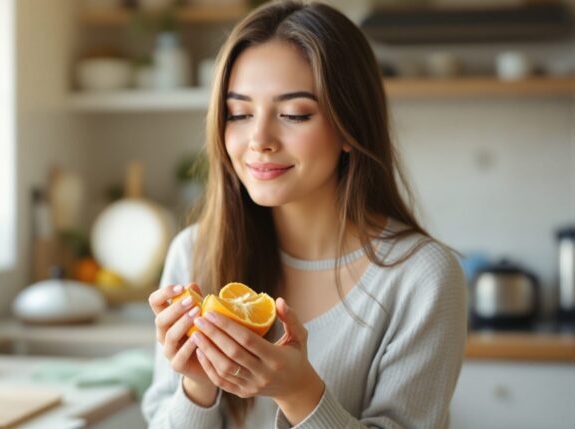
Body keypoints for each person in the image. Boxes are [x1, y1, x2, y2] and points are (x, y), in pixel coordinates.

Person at [142, 1, 467, 428]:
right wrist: (198, 387)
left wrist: (300, 394)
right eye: (238, 114)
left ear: (350, 126)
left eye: (294, 114)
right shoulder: (195, 253)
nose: (259, 139)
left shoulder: (422, 277)